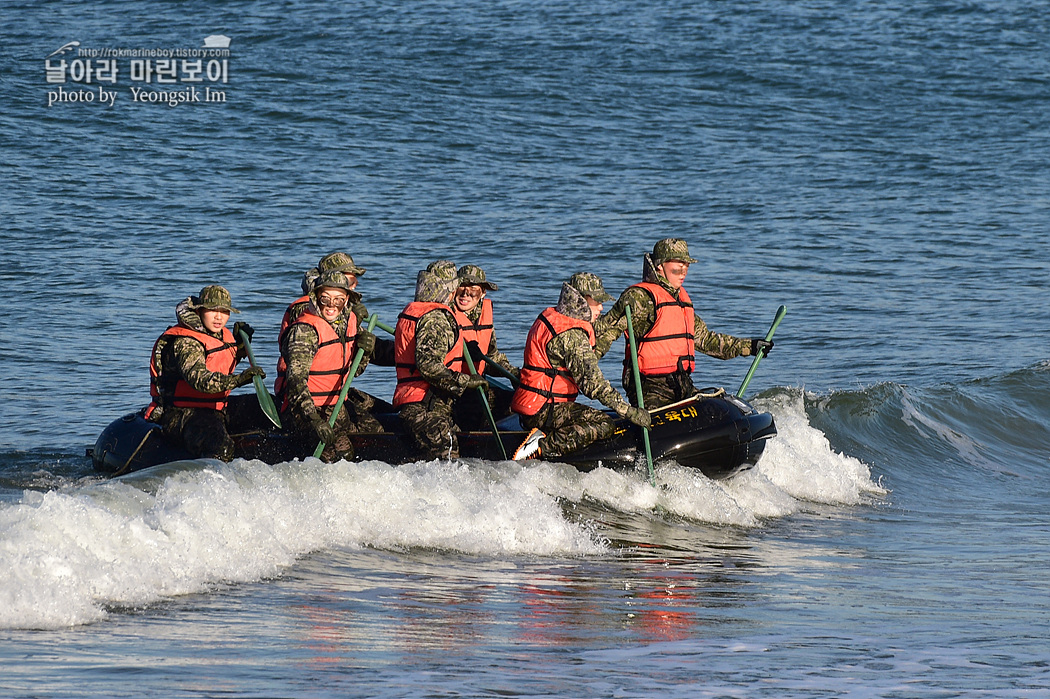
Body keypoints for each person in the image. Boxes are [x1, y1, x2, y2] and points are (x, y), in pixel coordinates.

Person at [593, 238, 774, 410]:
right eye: (677, 266)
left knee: (719, 409)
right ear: (659, 267)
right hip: (650, 387)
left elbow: (706, 340)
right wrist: (587, 368)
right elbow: (608, 332)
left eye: (686, 266)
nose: (683, 270)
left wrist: (749, 346)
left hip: (682, 383)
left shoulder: (680, 299)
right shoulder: (639, 298)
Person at [511, 272, 650, 461]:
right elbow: (593, 384)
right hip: (544, 410)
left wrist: (619, 316)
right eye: (597, 301)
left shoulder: (555, 317)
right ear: (581, 301)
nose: (601, 307)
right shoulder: (572, 336)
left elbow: (594, 336)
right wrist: (628, 411)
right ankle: (542, 447)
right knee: (603, 423)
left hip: (534, 404)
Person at [146, 285, 265, 460]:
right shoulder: (186, 342)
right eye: (212, 310)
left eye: (224, 311)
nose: (219, 317)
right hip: (183, 413)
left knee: (270, 409)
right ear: (200, 311)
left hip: (216, 407)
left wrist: (239, 347)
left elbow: (217, 362)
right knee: (221, 446)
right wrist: (238, 380)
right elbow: (200, 380)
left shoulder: (219, 335)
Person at [274, 270, 383, 462]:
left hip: (336, 406)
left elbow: (354, 371)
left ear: (347, 300)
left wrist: (364, 351)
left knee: (377, 436)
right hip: (304, 410)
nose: (332, 306)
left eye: (339, 299)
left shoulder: (348, 323)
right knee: (340, 452)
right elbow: (295, 381)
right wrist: (313, 420)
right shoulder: (304, 331)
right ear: (316, 298)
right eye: (325, 299)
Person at [392, 261, 488, 460]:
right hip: (423, 404)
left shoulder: (420, 311)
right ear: (450, 288)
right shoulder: (435, 318)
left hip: (429, 402)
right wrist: (465, 381)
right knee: (447, 447)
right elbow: (427, 364)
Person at [280, 252, 393, 366]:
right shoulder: (304, 309)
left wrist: (405, 350)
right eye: (350, 280)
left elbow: (375, 350)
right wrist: (352, 320)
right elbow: (323, 349)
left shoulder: (341, 309)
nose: (356, 284)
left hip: (333, 380)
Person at [448, 264, 520, 429]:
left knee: (517, 401)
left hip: (476, 387)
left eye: (473, 288)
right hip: (452, 390)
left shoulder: (483, 316)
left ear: (482, 293)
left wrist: (515, 374)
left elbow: (491, 357)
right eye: (462, 286)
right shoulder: (444, 316)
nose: (466, 293)